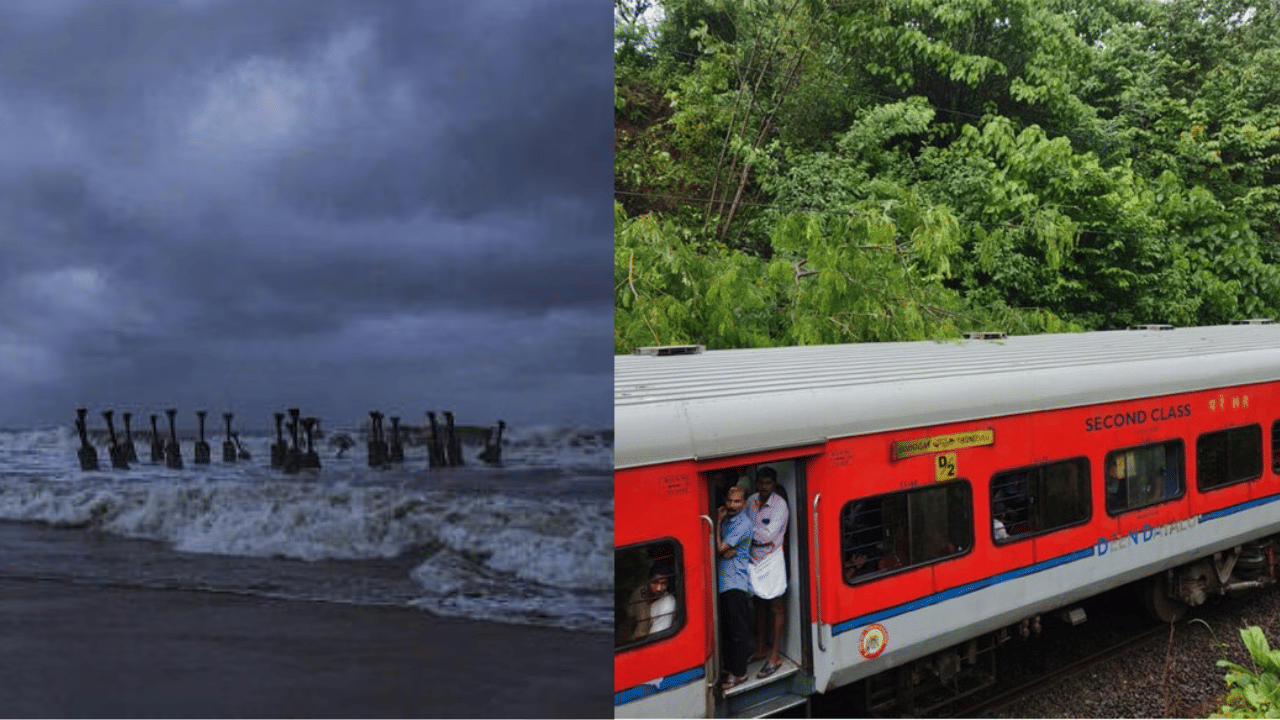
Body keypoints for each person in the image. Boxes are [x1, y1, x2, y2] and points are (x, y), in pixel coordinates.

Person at [746, 466, 788, 679]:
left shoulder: (780, 506)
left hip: (771, 559)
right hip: (753, 558)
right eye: (761, 483)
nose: (764, 487)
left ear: (774, 484)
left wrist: (746, 533)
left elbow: (767, 536)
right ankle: (760, 647)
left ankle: (774, 656)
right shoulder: (751, 501)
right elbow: (747, 526)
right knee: (758, 604)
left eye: (768, 484)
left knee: (776, 605)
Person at [716, 485, 754, 691]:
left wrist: (717, 522)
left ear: (745, 503)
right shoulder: (731, 520)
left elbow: (720, 547)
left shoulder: (743, 524)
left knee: (736, 632)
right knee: (728, 630)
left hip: (735, 584)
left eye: (737, 501)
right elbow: (721, 549)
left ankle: (740, 674)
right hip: (725, 583)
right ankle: (731, 669)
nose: (732, 505)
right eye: (730, 500)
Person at [627, 563, 677, 640]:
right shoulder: (642, 592)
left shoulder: (666, 599)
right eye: (655, 582)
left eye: (663, 583)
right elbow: (642, 627)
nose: (659, 588)